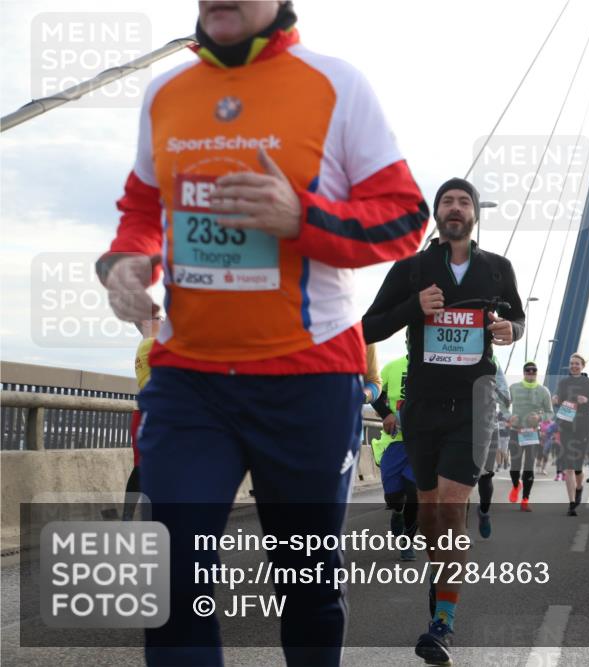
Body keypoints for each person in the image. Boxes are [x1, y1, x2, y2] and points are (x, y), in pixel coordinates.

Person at [97, 3, 428, 664]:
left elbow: (405, 218)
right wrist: (128, 261)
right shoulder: (165, 92)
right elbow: (142, 205)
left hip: (307, 381)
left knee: (305, 581)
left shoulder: (336, 84)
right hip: (189, 380)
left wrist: (301, 216)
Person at [363, 177, 524, 665]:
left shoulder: (497, 270)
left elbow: (518, 319)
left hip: (474, 407)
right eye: (447, 201)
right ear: (436, 213)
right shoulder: (411, 269)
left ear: (475, 214)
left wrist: (507, 329)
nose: (456, 208)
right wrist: (416, 307)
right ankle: (443, 585)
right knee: (432, 515)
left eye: (464, 202)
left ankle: (442, 623)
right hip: (423, 408)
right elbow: (368, 327)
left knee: (453, 509)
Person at [371, 353, 418, 562]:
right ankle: (397, 511)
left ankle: (408, 540)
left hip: (422, 443)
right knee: (394, 496)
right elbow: (376, 393)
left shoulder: (436, 368)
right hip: (394, 441)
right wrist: (386, 414)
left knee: (414, 492)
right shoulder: (392, 366)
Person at [553, 353, 589, 515]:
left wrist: (587, 401)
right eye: (572, 363)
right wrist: (555, 399)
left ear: (582, 366)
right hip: (566, 425)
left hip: (583, 426)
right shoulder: (563, 383)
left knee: (577, 467)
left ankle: (579, 487)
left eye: (577, 363)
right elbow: (558, 400)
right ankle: (572, 502)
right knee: (568, 465)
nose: (574, 366)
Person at [122, 316, 161, 522]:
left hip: (145, 414)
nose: (163, 321)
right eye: (159, 318)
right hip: (154, 416)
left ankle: (128, 517)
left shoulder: (145, 346)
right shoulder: (151, 345)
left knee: (142, 468)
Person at [508, 361, 554, 511]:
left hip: (532, 434)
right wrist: (509, 416)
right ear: (523, 372)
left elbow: (550, 412)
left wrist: (540, 418)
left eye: (534, 370)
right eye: (528, 370)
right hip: (516, 431)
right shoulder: (513, 388)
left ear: (536, 373)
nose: (531, 372)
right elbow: (502, 404)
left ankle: (525, 500)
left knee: (529, 466)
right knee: (514, 467)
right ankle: (516, 485)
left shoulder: (544, 391)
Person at [476, 355, 512, 538]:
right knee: (457, 480)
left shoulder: (494, 361)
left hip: (487, 425)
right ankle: (460, 531)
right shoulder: (450, 356)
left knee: (485, 476)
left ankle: (484, 512)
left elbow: (506, 397)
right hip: (457, 425)